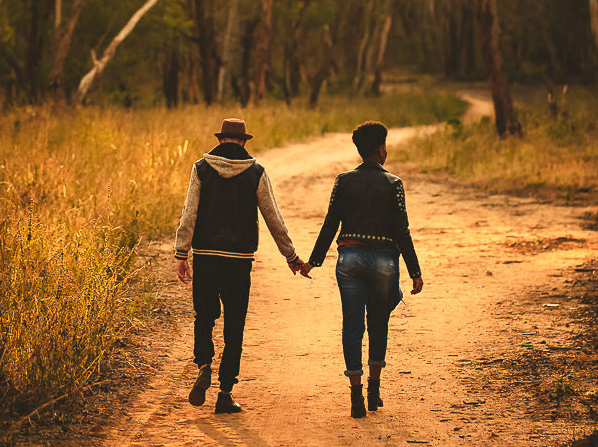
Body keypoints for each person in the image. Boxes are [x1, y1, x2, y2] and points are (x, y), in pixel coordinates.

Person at [174, 118, 307, 414]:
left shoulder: (201, 168)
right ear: (244, 141)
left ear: (221, 140)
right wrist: (291, 256)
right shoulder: (256, 172)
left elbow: (189, 212)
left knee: (204, 315)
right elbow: (273, 216)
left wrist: (181, 253)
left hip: (206, 255)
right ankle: (225, 392)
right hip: (239, 260)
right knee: (235, 323)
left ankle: (204, 363)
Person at [300, 121, 424, 418]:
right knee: (378, 322)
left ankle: (355, 397)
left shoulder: (343, 181)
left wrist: (313, 261)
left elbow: (331, 224)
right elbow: (402, 231)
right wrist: (414, 271)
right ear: (381, 148)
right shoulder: (394, 183)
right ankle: (374, 391)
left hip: (349, 260)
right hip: (384, 261)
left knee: (352, 324)